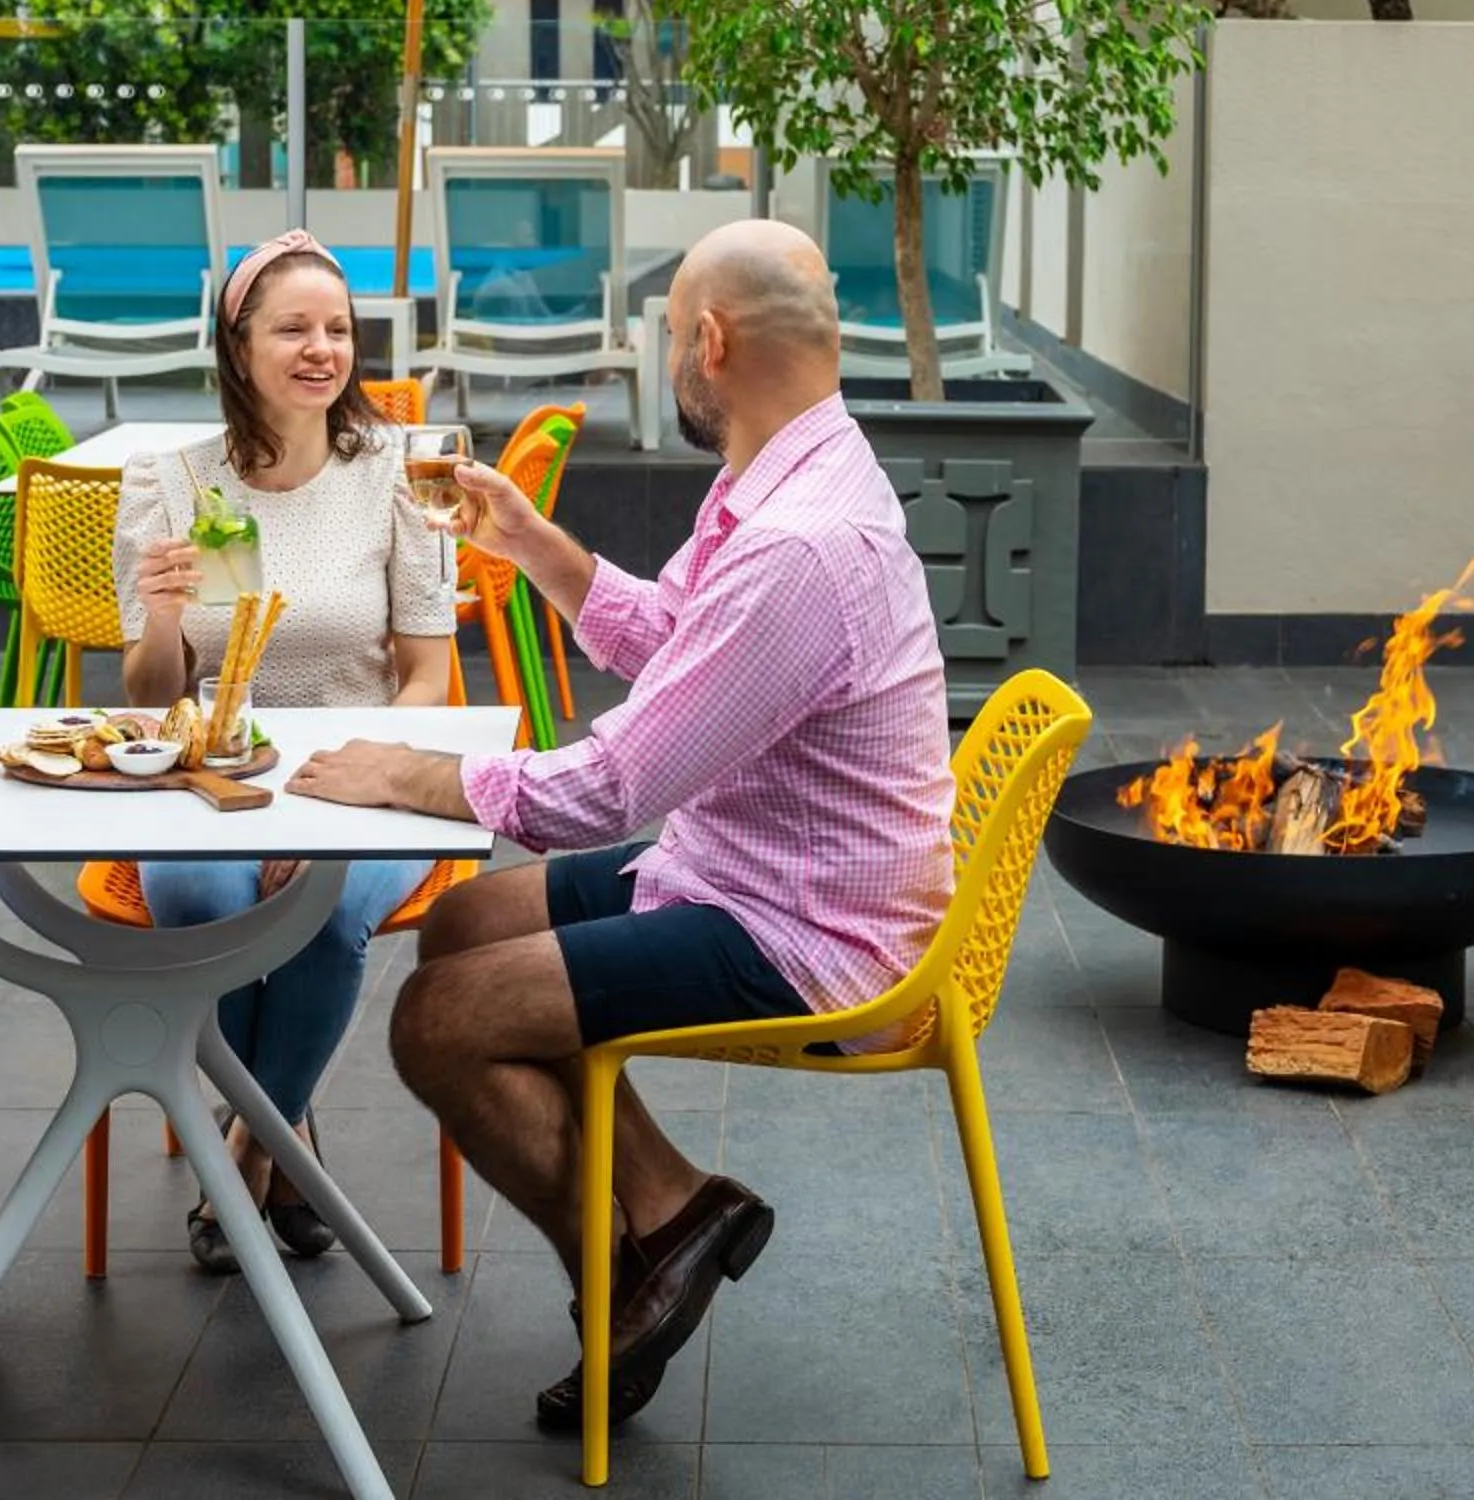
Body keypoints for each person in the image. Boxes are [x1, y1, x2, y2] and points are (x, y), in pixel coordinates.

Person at [281, 218, 953, 1435]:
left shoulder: (803, 545)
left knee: (440, 1021)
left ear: (709, 340)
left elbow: (609, 790)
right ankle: (666, 1223)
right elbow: (679, 647)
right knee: (468, 922)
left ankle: (639, 1246)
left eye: (666, 337)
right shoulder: (784, 476)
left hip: (809, 930)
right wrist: (532, 544)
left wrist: (412, 774)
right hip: (748, 866)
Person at [111, 229, 455, 1272]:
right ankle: (287, 1134)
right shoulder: (172, 482)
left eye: (339, 329)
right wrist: (163, 620)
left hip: (370, 779)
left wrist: (358, 796)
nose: (323, 349)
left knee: (319, 916)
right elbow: (149, 695)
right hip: (214, 777)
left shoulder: (401, 469)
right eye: (294, 327)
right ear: (237, 341)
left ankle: (247, 1154)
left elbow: (430, 675)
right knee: (202, 905)